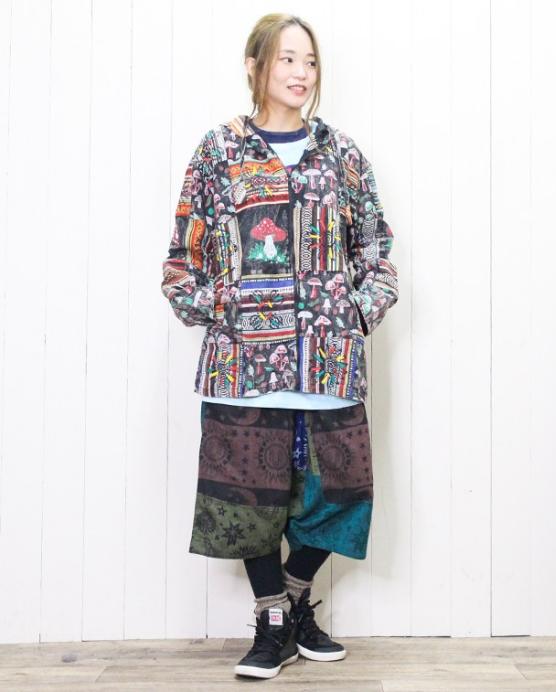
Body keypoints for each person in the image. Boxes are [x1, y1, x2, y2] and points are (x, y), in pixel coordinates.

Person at [160, 12, 399, 680]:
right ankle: (273, 621)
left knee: (342, 493)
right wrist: (223, 307)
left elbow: (378, 249)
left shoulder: (342, 154)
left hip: (329, 361)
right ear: (254, 65)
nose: (301, 73)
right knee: (246, 502)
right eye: (288, 59)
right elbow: (181, 260)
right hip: (243, 365)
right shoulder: (220, 151)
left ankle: (292, 604)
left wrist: (357, 309)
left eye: (310, 61)